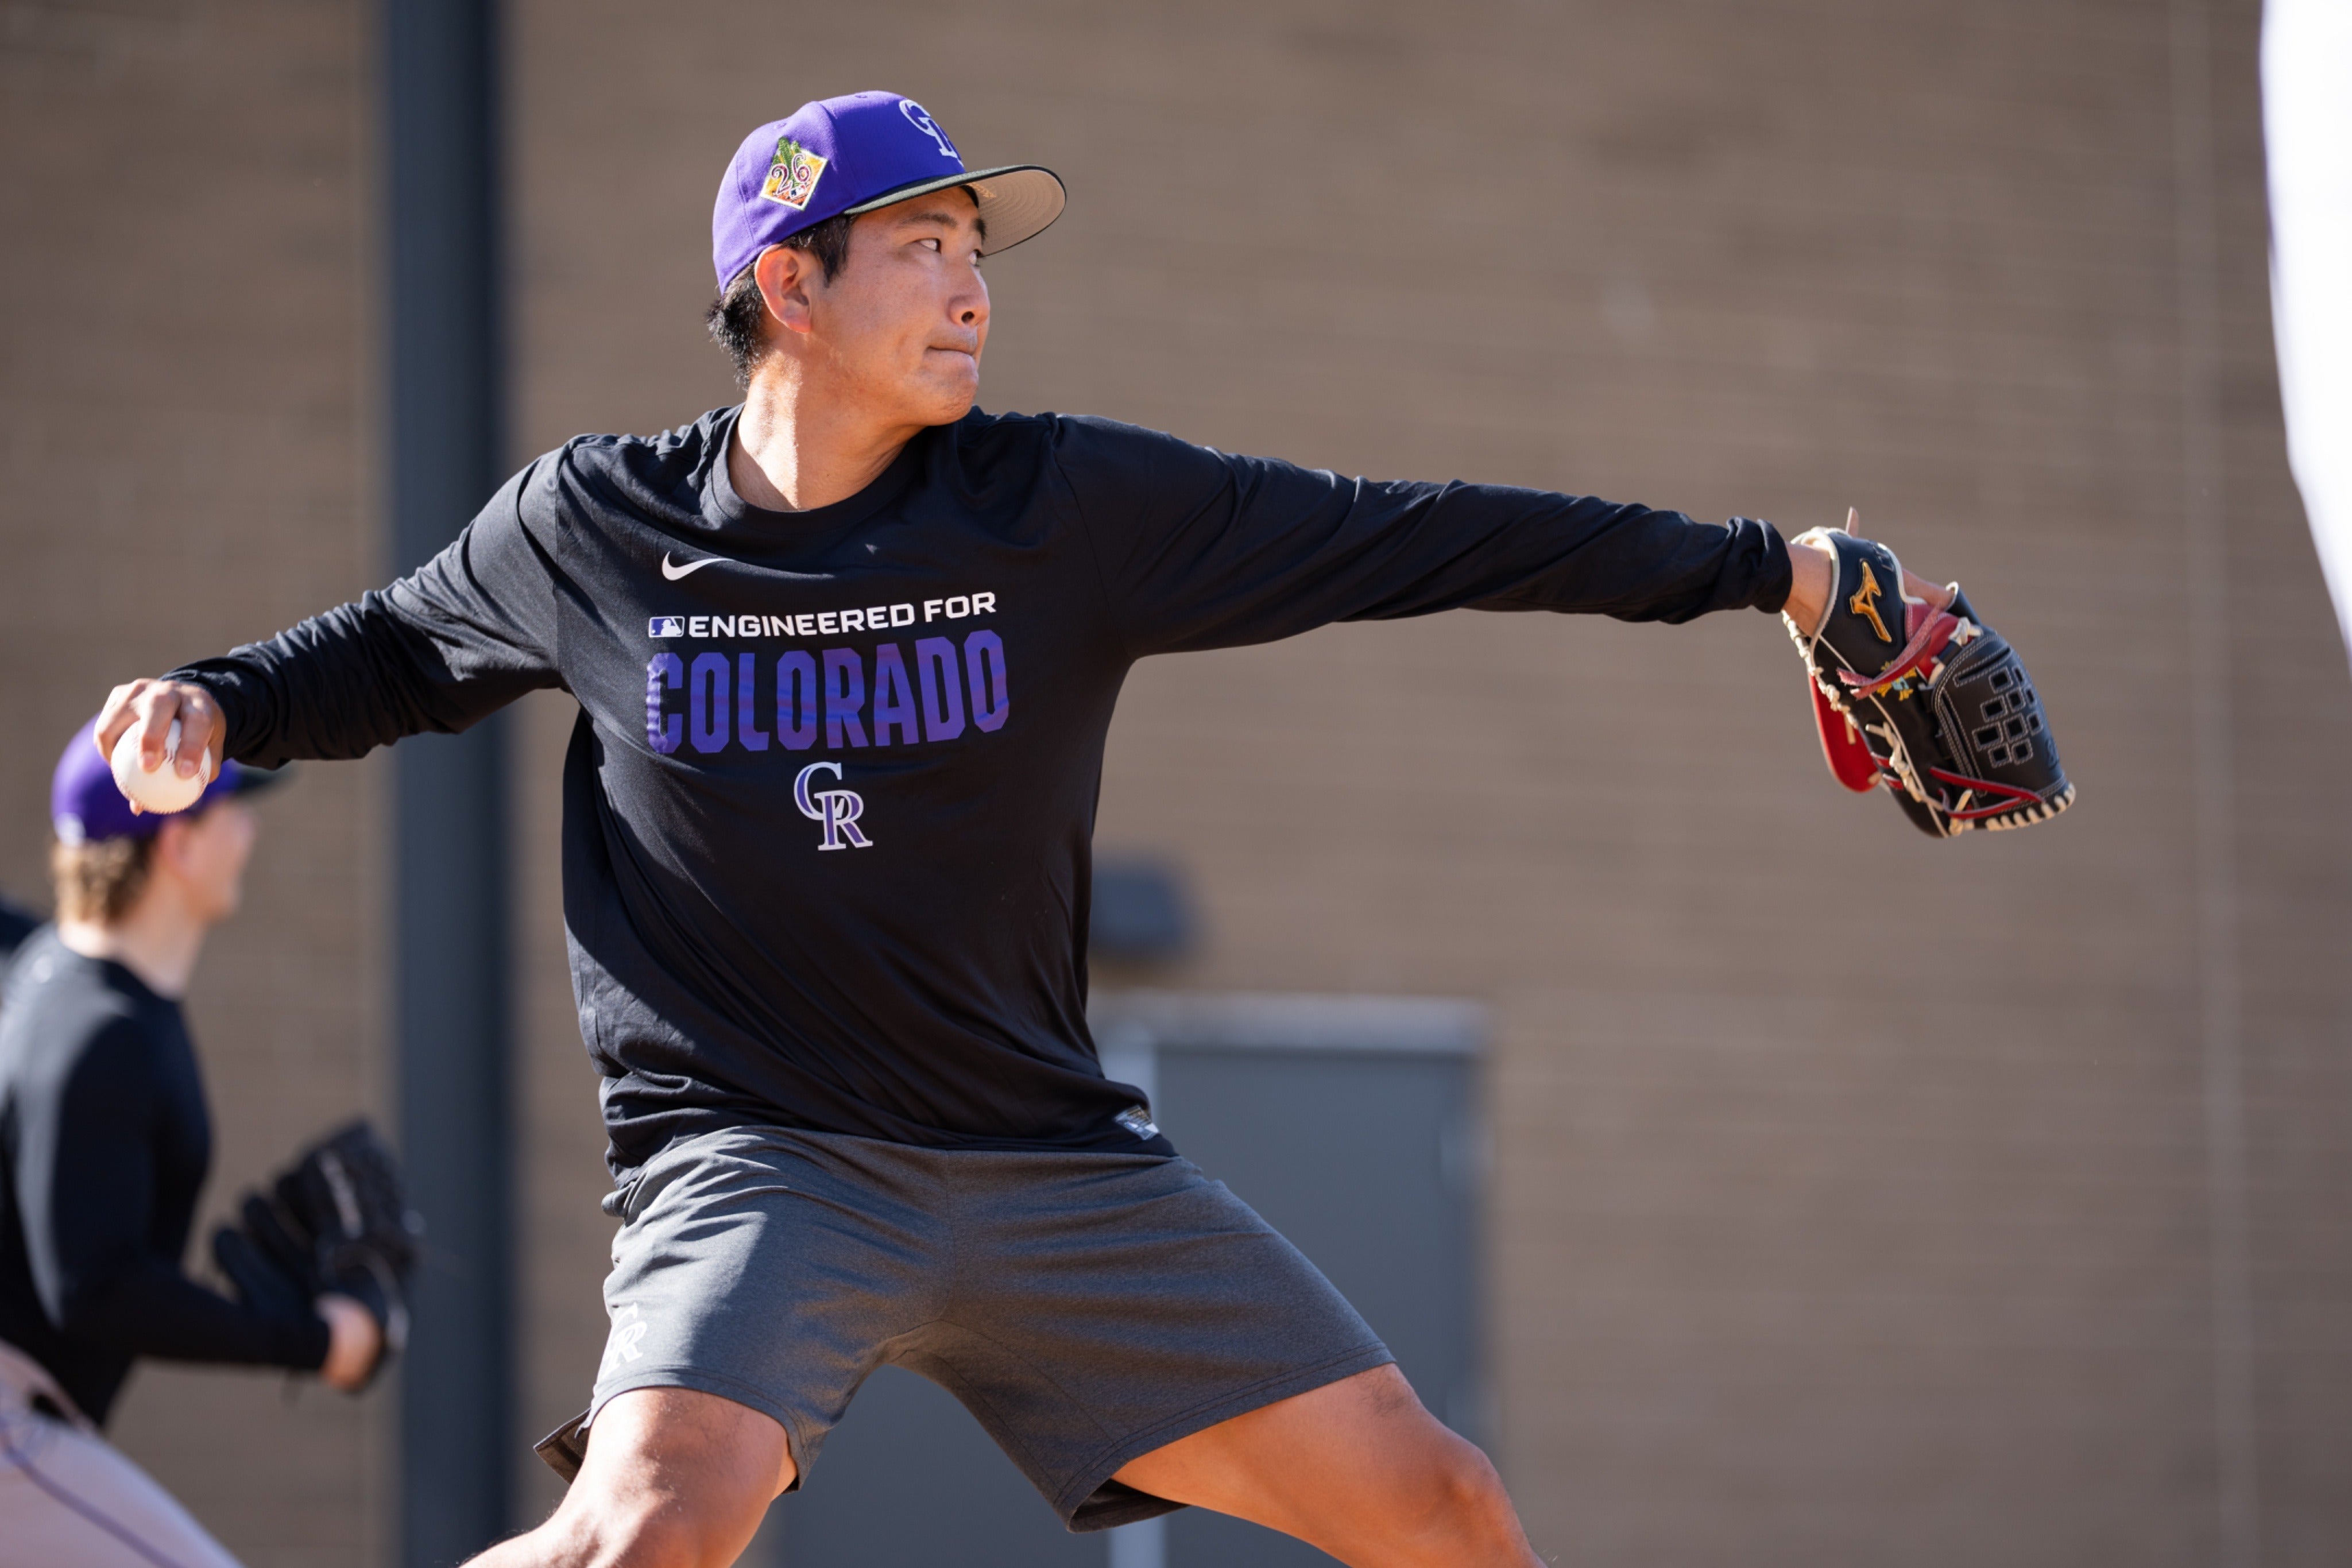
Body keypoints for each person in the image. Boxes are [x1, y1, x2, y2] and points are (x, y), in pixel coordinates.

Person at [92, 91, 1954, 1568]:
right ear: (790, 285)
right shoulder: (594, 527)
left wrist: (1767, 570)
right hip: (762, 1162)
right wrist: (218, 702)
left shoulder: (1055, 506)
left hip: (1049, 1167)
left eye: (978, 250)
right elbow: (391, 651)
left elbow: (1406, 533)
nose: (974, 286)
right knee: (644, 1529)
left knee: (1444, 1509)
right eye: (924, 246)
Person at [0, 723, 380, 1568]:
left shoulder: (49, 974)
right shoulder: (101, 1034)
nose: (246, 830)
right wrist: (315, 1340)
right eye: (229, 811)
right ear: (176, 843)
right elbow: (94, 1288)